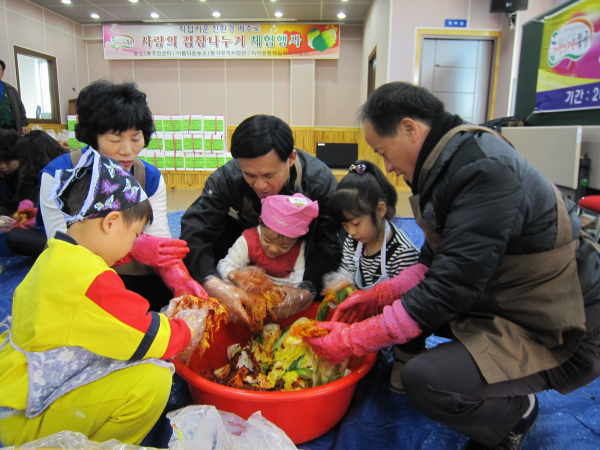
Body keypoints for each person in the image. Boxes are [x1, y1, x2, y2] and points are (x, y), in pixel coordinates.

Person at [305, 82, 600, 450]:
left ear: (411, 129)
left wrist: (351, 340)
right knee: (400, 314)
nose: (388, 167)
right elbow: (432, 264)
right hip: (500, 301)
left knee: (425, 380)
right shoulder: (447, 163)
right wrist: (379, 295)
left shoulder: (484, 170)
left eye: (384, 151)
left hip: (563, 325)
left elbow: (446, 289)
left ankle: (514, 413)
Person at [0, 150, 203, 446]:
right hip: (28, 416)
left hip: (19, 390)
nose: (133, 246)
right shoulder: (91, 279)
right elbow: (145, 334)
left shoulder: (57, 254)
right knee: (153, 380)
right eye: (134, 236)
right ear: (110, 222)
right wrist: (190, 328)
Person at [36, 80, 205, 310]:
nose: (127, 150)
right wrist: (135, 247)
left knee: (167, 301)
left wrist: (180, 280)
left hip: (129, 273)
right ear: (92, 137)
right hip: (78, 275)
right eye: (114, 140)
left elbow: (161, 245)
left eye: (136, 138)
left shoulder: (150, 177)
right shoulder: (59, 174)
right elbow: (61, 244)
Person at [180, 114, 342, 331]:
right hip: (245, 245)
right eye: (249, 175)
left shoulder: (319, 182)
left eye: (268, 174)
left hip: (299, 256)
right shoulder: (227, 178)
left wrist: (306, 291)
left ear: (291, 158)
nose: (260, 185)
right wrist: (212, 282)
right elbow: (196, 229)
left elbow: (330, 244)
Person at [217, 193, 320, 324]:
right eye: (267, 240)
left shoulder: (300, 248)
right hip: (250, 295)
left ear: (297, 239)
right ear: (261, 221)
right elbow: (224, 265)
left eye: (284, 246)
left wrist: (291, 298)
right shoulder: (249, 240)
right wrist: (234, 274)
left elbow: (298, 283)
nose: (274, 249)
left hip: (281, 302)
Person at [4, 131, 68, 253]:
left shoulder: (50, 174)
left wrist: (29, 220)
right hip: (72, 232)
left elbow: (57, 221)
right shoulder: (67, 161)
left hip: (70, 239)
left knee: (14, 237)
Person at [0, 60, 28, 134]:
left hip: (12, 130)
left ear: (2, 73)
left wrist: (23, 124)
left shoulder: (11, 90)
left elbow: (20, 108)